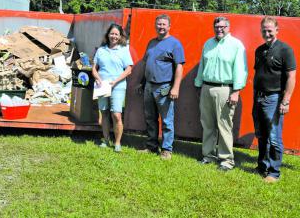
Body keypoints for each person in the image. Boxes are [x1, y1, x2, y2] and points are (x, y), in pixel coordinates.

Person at [194, 16, 248, 171]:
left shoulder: (236, 45)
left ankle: (226, 160)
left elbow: (240, 69)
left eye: (223, 27)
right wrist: (198, 85)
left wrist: (236, 91)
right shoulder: (208, 44)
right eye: (217, 27)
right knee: (207, 124)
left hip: (226, 89)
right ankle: (208, 155)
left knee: (224, 125)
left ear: (228, 27)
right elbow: (202, 65)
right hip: (206, 88)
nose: (219, 29)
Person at [253, 16, 296, 183]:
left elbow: (291, 77)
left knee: (274, 137)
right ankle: (262, 166)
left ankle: (274, 172)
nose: (267, 33)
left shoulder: (285, 49)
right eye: (264, 30)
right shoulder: (259, 50)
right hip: (258, 97)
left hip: (274, 98)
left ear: (277, 30)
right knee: (262, 135)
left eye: (270, 30)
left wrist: (285, 101)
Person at [140, 14, 185, 160]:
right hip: (148, 86)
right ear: (155, 26)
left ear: (169, 26)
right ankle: (151, 146)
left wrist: (175, 87)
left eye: (164, 24)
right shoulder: (151, 43)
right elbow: (146, 63)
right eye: (159, 24)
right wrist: (142, 82)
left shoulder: (175, 44)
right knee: (150, 118)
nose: (161, 27)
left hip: (164, 87)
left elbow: (179, 67)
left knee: (167, 120)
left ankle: (166, 150)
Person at [92, 23, 133, 152]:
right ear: (108, 35)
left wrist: (115, 81)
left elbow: (129, 69)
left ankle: (117, 143)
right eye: (112, 33)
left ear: (120, 36)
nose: (114, 36)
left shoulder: (124, 49)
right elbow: (94, 68)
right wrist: (98, 79)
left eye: (116, 34)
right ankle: (106, 139)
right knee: (104, 113)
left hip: (118, 86)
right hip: (102, 86)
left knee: (116, 114)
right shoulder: (101, 50)